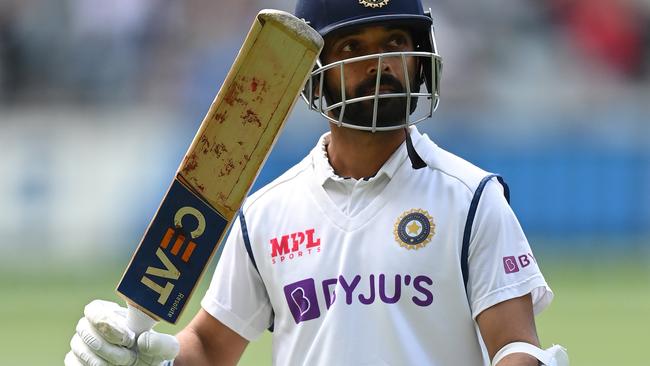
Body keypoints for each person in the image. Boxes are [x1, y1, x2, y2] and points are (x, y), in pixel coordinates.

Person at [65, 0, 569, 365]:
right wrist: (144, 357)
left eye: (395, 42)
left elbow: (514, 345)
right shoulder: (266, 213)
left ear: (419, 60)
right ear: (315, 72)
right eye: (354, 46)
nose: (381, 64)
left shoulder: (471, 198)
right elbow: (212, 347)